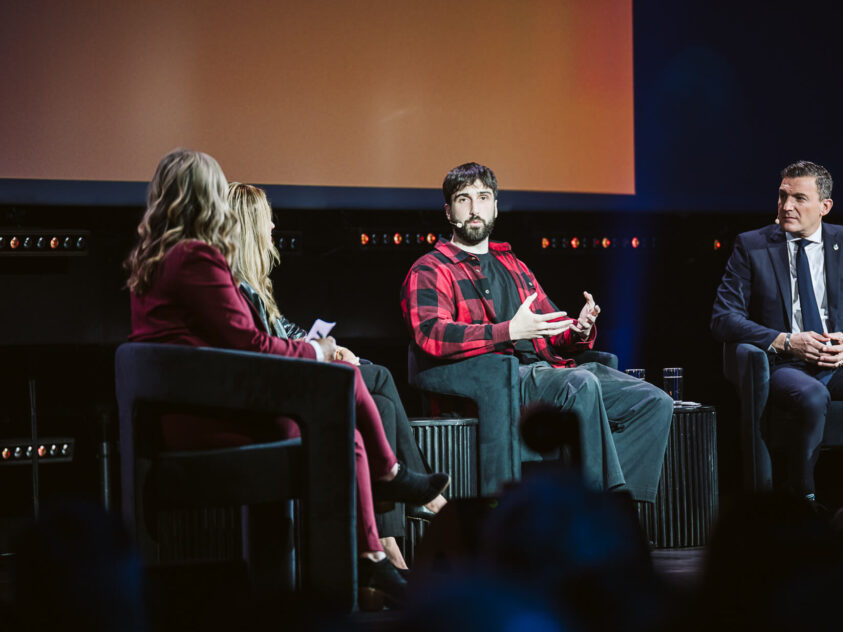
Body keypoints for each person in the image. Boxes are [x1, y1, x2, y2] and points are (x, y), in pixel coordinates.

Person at [126, 149, 447, 607]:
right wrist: (316, 351)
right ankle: (381, 511)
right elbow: (251, 344)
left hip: (192, 409)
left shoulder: (155, 261)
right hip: (210, 417)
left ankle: (373, 546)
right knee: (340, 399)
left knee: (345, 414)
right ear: (207, 198)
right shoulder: (196, 258)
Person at [401, 162, 674, 502]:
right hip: (499, 381)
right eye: (463, 199)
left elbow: (551, 328)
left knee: (654, 402)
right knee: (580, 384)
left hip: (548, 374)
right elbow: (430, 333)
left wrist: (579, 329)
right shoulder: (430, 269)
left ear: (495, 207)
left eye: (483, 198)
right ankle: (590, 511)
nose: (474, 209)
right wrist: (508, 331)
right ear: (448, 211)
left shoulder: (513, 265)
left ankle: (613, 508)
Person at [226, 181, 447, 567]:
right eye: (267, 219)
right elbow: (263, 349)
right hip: (284, 389)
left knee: (381, 398)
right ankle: (417, 497)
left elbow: (284, 331)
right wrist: (322, 355)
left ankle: (388, 541)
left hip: (294, 371)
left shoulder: (252, 283)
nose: (274, 227)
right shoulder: (236, 286)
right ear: (248, 225)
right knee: (375, 377)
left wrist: (328, 347)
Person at [710, 160, 843, 505]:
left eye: (799, 198)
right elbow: (723, 318)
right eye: (782, 196)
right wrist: (786, 341)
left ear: (825, 206)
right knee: (813, 396)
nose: (786, 206)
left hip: (840, 365)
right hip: (785, 367)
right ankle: (804, 499)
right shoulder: (751, 246)